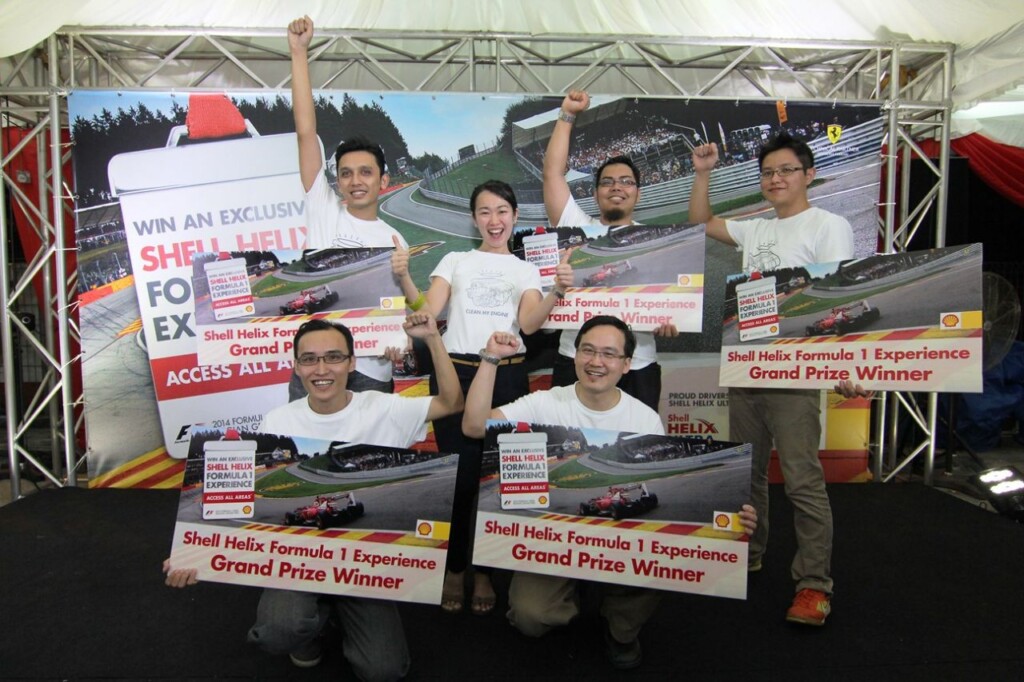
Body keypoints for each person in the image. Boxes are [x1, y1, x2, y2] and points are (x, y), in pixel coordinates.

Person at [165, 311, 464, 679]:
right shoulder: (277, 422)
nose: (321, 369)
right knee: (278, 634)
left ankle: (334, 615)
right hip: (299, 562)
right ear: (296, 366)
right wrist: (193, 550)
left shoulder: (386, 408)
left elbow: (452, 402)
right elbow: (238, 500)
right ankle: (311, 627)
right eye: (309, 359)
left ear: (352, 362)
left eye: (333, 357)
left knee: (384, 671)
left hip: (364, 568)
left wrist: (433, 338)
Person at [462, 315, 756, 669]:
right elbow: (475, 425)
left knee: (660, 564)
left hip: (619, 545)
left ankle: (620, 628)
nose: (596, 362)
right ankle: (568, 597)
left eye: (608, 354)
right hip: (554, 542)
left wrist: (729, 518)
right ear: (574, 356)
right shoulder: (545, 402)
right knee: (530, 617)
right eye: (587, 350)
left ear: (626, 364)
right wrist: (490, 359)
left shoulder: (644, 419)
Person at [689, 132, 854, 626]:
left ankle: (813, 585)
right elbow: (700, 220)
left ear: (807, 175)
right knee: (748, 474)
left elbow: (836, 297)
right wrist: (702, 174)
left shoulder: (830, 225)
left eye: (785, 170)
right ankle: (750, 551)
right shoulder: (756, 230)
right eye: (767, 172)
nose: (775, 178)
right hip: (747, 367)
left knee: (802, 481)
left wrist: (847, 365)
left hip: (797, 373)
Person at [391, 179, 573, 615]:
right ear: (474, 219)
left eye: (502, 211)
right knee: (458, 479)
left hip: (507, 377)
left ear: (514, 216)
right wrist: (403, 278)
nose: (494, 220)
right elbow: (430, 312)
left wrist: (557, 291)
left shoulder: (526, 269)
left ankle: (487, 572)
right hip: (455, 375)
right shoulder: (454, 259)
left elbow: (529, 324)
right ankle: (455, 569)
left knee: (496, 479)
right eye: (485, 212)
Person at [288, 14, 405, 394]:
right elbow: (306, 133)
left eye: (366, 173)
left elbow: (399, 309)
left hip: (372, 372)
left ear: (383, 181)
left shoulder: (395, 239)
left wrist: (399, 342)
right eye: (347, 173)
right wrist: (299, 54)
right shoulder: (322, 207)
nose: (356, 181)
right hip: (316, 368)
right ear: (336, 181)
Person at [542, 89, 676, 411]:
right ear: (596, 192)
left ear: (638, 194)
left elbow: (671, 300)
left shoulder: (656, 239)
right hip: (573, 358)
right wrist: (567, 114)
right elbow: (552, 174)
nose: (617, 186)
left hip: (638, 361)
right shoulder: (574, 222)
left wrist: (672, 317)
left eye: (626, 181)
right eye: (608, 181)